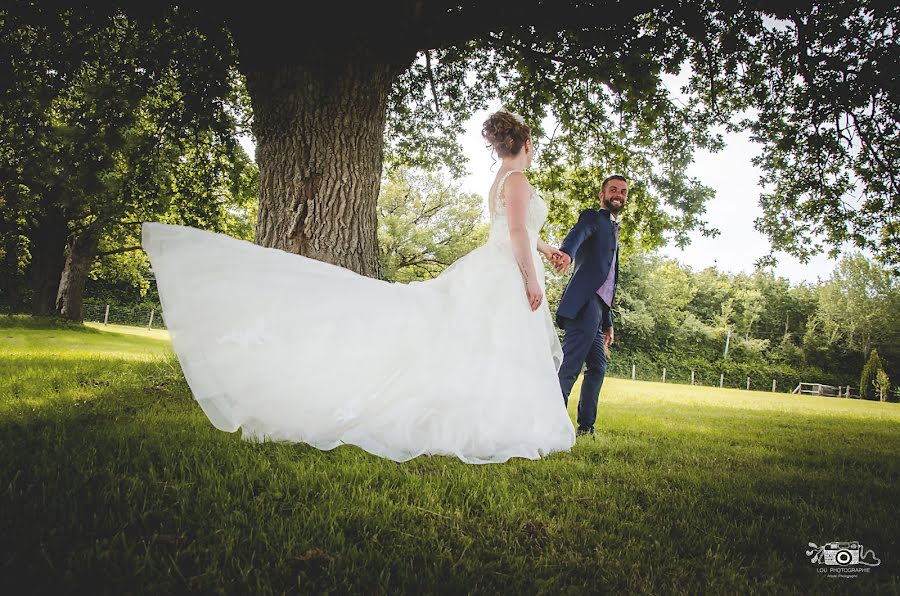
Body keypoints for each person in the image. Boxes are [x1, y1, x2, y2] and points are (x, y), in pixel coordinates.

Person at [141, 109, 576, 464]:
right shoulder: (517, 180)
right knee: (489, 347)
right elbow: (515, 233)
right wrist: (532, 277)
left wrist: (547, 247)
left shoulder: (501, 180)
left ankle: (490, 419)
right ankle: (490, 423)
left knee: (480, 348)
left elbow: (515, 231)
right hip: (501, 274)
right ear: (527, 144)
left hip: (492, 266)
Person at [552, 175, 628, 436]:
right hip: (584, 306)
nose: (618, 194)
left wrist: (608, 323)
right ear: (602, 195)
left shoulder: (615, 232)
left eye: (623, 191)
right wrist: (566, 253)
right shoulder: (594, 218)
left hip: (598, 313)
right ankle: (553, 425)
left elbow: (606, 283)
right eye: (613, 190)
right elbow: (577, 234)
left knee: (597, 367)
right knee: (570, 366)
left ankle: (586, 427)